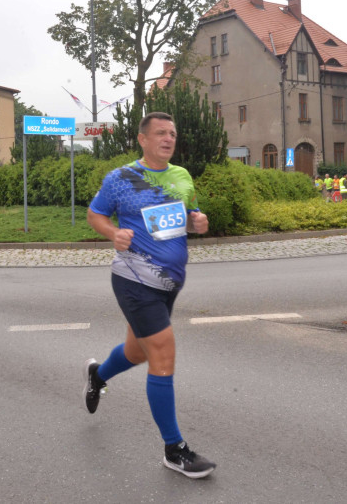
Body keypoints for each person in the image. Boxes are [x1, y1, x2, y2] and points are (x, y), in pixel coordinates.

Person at [84, 112, 216, 479]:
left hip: (170, 283)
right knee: (162, 353)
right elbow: (95, 214)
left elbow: (186, 215)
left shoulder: (182, 176)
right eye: (160, 133)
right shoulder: (120, 178)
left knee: (136, 352)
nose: (168, 138)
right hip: (133, 279)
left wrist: (197, 221)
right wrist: (113, 233)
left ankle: (98, 375)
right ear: (142, 139)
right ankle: (174, 450)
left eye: (172, 133)